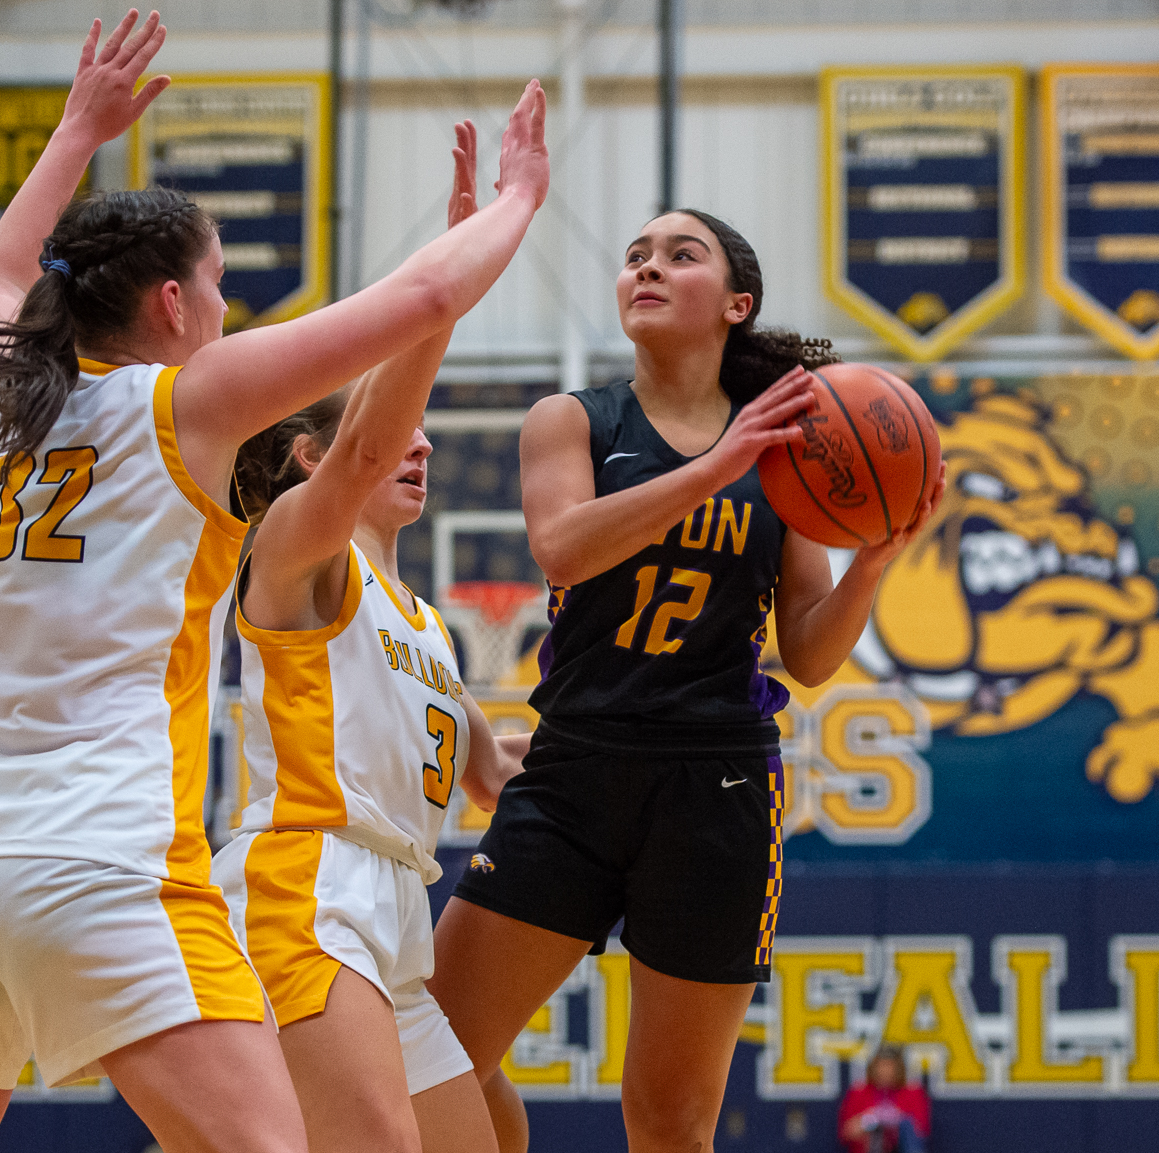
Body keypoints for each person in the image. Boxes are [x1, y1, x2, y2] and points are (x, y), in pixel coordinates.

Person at [0, 7, 553, 1151]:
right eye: (214, 284)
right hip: (95, 854)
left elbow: (4, 269)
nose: (221, 309)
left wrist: (76, 131)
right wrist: (517, 202)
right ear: (172, 304)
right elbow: (419, 301)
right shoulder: (188, 406)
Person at [426, 208, 945, 1153]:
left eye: (679, 254)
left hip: (718, 784)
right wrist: (721, 463)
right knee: (435, 1053)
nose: (647, 267)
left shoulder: (788, 457)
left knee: (669, 1121)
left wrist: (872, 561)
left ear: (735, 304)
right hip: (574, 768)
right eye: (635, 256)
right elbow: (562, 548)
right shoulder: (574, 420)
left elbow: (809, 655)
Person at [212, 120, 528, 1153]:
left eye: (420, 429)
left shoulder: (427, 625)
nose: (419, 441)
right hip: (308, 882)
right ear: (313, 453)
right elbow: (363, 451)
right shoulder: (296, 552)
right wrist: (450, 279)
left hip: (397, 906)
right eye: (399, 426)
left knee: (486, 1143)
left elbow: (492, 776)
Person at [838, 1046, 930, 1153]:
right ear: (873, 1067)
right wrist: (870, 1119)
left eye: (890, 1066)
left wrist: (895, 1119)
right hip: (868, 1148)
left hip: (902, 1147)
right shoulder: (859, 1092)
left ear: (899, 1068)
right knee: (876, 1128)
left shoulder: (913, 1092)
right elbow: (846, 1134)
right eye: (881, 1065)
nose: (885, 1071)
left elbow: (921, 1131)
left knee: (905, 1124)